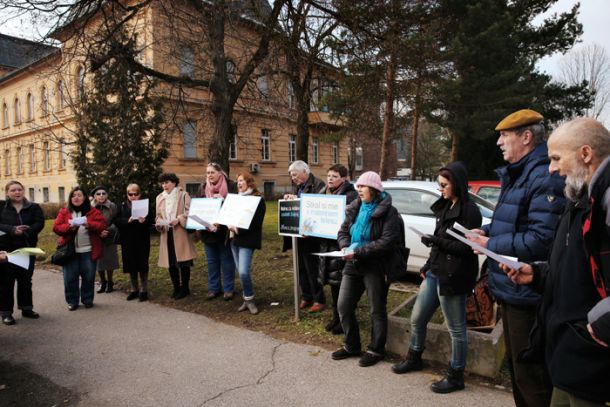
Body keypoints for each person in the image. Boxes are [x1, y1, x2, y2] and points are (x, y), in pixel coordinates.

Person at [502, 118, 610, 406]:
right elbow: (576, 266)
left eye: (556, 158)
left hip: (592, 359)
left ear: (585, 154)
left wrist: (603, 325)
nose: (551, 168)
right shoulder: (579, 197)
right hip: (570, 354)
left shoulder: (604, 199)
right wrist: (536, 274)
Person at [467, 109, 565, 407]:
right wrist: (484, 231)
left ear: (526, 137)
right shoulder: (520, 173)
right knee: (519, 369)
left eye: (504, 136)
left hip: (527, 292)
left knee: (531, 375)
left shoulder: (543, 176)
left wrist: (491, 241)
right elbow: (515, 222)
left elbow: (542, 240)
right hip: (510, 289)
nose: (498, 143)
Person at [392, 163, 482, 393]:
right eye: (438, 184)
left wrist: (436, 241)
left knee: (456, 329)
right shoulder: (444, 206)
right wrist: (427, 263)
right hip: (435, 272)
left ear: (456, 184)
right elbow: (439, 240)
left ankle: (455, 375)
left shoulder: (470, 211)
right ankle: (414, 358)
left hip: (454, 276)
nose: (440, 188)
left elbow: (467, 248)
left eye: (444, 185)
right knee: (417, 318)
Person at [331, 171, 401, 367]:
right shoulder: (355, 208)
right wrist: (345, 246)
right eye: (358, 186)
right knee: (343, 305)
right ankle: (351, 345)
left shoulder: (389, 212)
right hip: (352, 263)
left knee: (376, 309)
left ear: (375, 190)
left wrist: (359, 251)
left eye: (363, 186)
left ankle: (376, 349)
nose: (359, 190)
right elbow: (343, 231)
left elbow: (386, 242)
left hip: (375, 266)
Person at [318, 164, 357, 333]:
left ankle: (343, 320)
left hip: (340, 244)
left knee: (342, 286)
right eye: (328, 176)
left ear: (343, 178)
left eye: (334, 176)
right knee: (334, 285)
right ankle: (336, 318)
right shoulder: (324, 193)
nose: (330, 179)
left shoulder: (350, 195)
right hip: (327, 243)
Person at [53, 186, 106, 311]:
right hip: (70, 251)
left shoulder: (92, 211)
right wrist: (69, 227)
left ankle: (87, 299)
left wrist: (89, 224)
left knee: (88, 277)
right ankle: (72, 301)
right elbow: (56, 227)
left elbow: (102, 225)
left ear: (84, 198)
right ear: (70, 198)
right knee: (70, 278)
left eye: (79, 195)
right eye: (73, 195)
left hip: (88, 250)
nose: (76, 198)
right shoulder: (64, 211)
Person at [283, 160, 326, 312]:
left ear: (304, 172)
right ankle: (306, 296)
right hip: (298, 233)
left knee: (312, 268)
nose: (293, 178)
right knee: (300, 267)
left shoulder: (318, 185)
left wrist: (298, 201)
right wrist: (290, 198)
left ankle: (319, 299)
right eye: (291, 175)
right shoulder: (299, 186)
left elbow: (317, 207)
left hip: (311, 235)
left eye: (294, 174)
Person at [0, 181, 45, 325]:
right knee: (6, 282)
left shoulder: (33, 207)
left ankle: (27, 308)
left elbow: (40, 223)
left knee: (26, 281)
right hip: (6, 251)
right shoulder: (1, 207)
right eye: (13, 190)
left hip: (26, 249)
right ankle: (6, 313)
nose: (17, 192)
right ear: (7, 192)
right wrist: (12, 230)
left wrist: (27, 231)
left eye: (19, 189)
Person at [228, 173, 266, 314]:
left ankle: (249, 300)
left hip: (246, 240)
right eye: (237, 181)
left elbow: (256, 223)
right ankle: (247, 299)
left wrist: (237, 229)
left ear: (249, 182)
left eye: (241, 181)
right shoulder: (235, 199)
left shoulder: (257, 200)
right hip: (233, 239)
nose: (238, 183)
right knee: (240, 271)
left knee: (243, 272)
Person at [156, 173, 197, 300]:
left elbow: (190, 212)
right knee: (171, 261)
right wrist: (159, 223)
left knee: (184, 261)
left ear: (174, 182)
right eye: (162, 183)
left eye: (167, 182)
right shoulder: (159, 197)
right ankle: (176, 288)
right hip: (167, 233)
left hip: (180, 233)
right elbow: (158, 215)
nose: (164, 185)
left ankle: (185, 288)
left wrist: (178, 219)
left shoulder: (183, 195)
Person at [199, 163, 237, 300]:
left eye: (212, 172)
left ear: (220, 173)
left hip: (225, 231)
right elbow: (199, 208)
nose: (209, 175)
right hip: (208, 231)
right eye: (207, 173)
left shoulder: (231, 186)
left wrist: (223, 201)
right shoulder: (203, 187)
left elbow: (236, 206)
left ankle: (228, 289)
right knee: (212, 261)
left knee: (227, 261)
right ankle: (214, 288)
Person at [116, 184, 153, 302]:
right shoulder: (122, 206)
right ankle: (134, 289)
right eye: (130, 194)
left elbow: (151, 221)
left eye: (135, 194)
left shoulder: (145, 205)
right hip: (128, 240)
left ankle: (144, 289)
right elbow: (116, 221)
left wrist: (144, 221)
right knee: (131, 264)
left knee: (142, 264)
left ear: (139, 194)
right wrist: (128, 220)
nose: (132, 196)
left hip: (142, 240)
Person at [91, 186, 120, 294]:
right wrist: (99, 232)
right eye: (98, 194)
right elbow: (89, 222)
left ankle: (110, 282)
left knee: (110, 260)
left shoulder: (112, 206)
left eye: (104, 193)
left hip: (110, 236)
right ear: (94, 196)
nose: (101, 195)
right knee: (99, 261)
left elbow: (116, 220)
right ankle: (103, 282)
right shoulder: (91, 207)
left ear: (107, 195)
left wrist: (108, 230)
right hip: (96, 237)